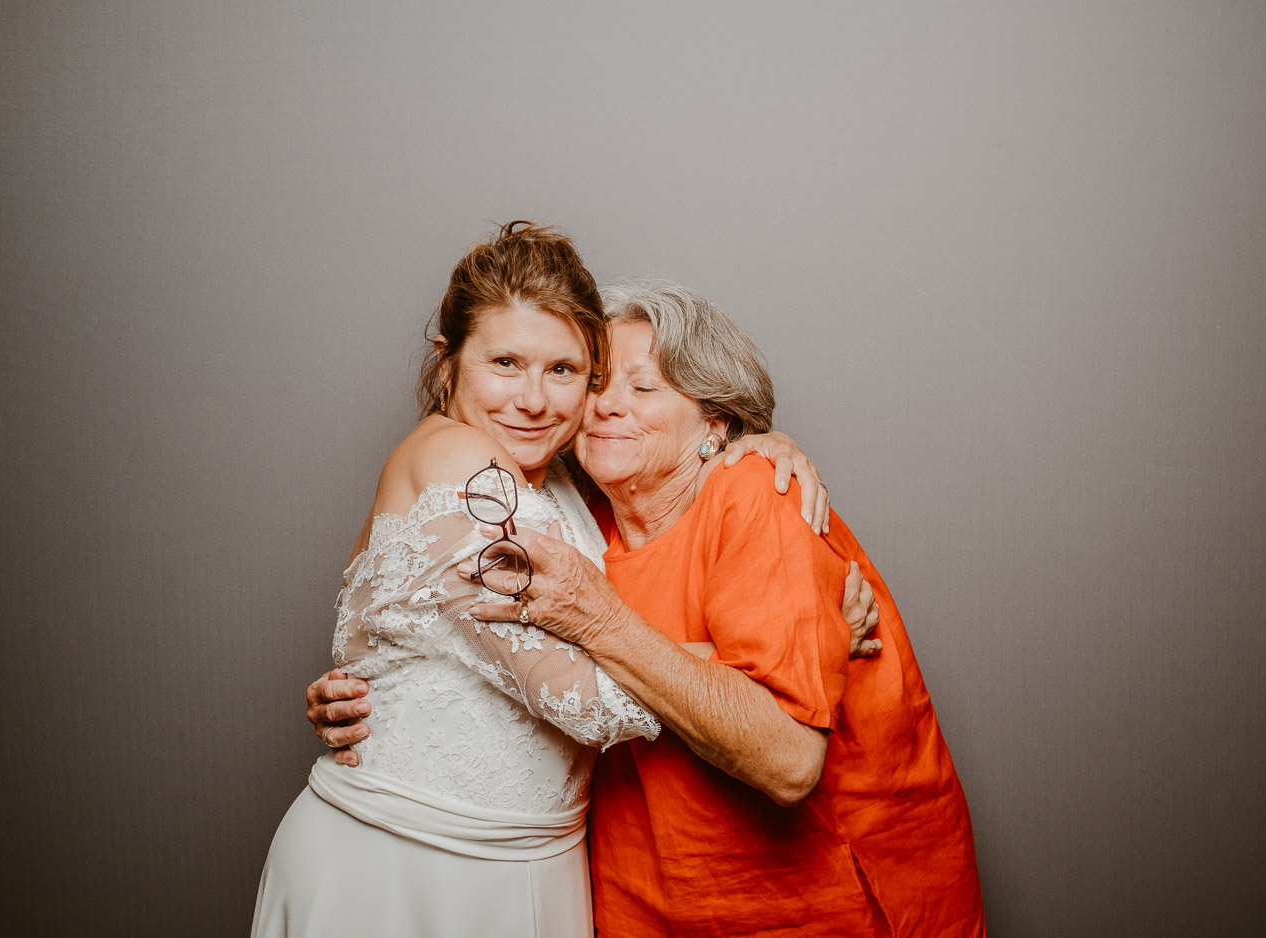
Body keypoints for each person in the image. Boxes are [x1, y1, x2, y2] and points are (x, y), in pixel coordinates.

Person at [313, 279, 986, 936]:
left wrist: (766, 448)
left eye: (645, 387)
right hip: (634, 897)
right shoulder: (580, 522)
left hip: (812, 905)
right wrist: (390, 679)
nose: (606, 406)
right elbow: (453, 615)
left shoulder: (757, 496)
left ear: (714, 423)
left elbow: (788, 761)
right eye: (600, 383)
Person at [254, 223, 863, 938]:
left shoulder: (559, 477)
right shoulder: (461, 466)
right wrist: (806, 641)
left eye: (566, 371)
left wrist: (756, 440)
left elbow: (668, 451)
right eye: (505, 362)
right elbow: (586, 701)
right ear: (449, 363)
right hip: (410, 860)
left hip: (536, 863)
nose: (535, 401)